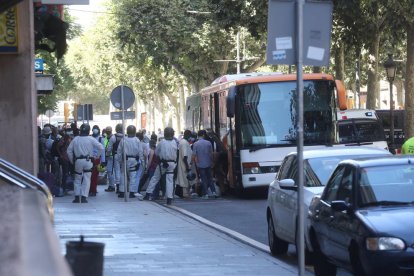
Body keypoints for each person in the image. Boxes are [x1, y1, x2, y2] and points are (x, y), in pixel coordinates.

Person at [67, 123, 104, 203]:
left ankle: (77, 197)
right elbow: (101, 147)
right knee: (87, 179)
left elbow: (69, 151)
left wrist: (71, 160)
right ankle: (84, 197)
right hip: (88, 161)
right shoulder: (91, 139)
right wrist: (97, 156)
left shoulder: (76, 139)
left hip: (78, 161)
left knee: (77, 179)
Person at [143, 127, 178, 205]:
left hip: (163, 163)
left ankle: (148, 194)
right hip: (172, 164)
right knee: (170, 181)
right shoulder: (175, 142)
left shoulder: (162, 142)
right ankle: (169, 199)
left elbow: (156, 153)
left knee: (155, 178)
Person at [116, 125, 145, 198]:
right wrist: (142, 162)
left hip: (125, 160)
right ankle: (132, 192)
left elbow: (119, 151)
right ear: (135, 131)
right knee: (133, 176)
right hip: (134, 160)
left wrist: (119, 161)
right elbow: (140, 152)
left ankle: (122, 192)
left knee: (123, 175)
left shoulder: (123, 140)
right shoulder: (137, 140)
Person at [192, 129, 216, 199]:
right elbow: (211, 154)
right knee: (210, 178)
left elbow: (194, 155)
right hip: (208, 163)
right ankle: (214, 192)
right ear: (203, 135)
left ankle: (205, 194)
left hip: (200, 164)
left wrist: (192, 163)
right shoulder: (208, 143)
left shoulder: (195, 144)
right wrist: (212, 162)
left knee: (203, 179)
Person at [175, 130, 193, 198]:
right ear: (188, 135)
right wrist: (187, 166)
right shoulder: (184, 143)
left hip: (184, 164)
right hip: (185, 165)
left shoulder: (183, 142)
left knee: (184, 179)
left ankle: (184, 193)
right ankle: (185, 193)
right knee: (185, 180)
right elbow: (185, 156)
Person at [89, 125, 105, 196]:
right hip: (90, 158)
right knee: (89, 176)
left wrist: (103, 161)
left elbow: (103, 150)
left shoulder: (101, 139)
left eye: (96, 129)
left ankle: (93, 190)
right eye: (94, 129)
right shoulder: (89, 138)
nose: (95, 130)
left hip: (97, 159)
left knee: (95, 175)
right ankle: (90, 189)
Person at [107, 123, 124, 193]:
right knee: (122, 172)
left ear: (116, 129)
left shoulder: (113, 137)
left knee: (117, 171)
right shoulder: (125, 137)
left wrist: (107, 155)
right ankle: (122, 187)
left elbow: (109, 148)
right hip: (124, 156)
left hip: (116, 155)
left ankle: (118, 186)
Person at [103, 126, 116, 192]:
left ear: (111, 130)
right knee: (109, 172)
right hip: (107, 157)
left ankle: (112, 186)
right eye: (107, 130)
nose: (108, 131)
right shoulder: (105, 138)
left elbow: (109, 148)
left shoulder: (113, 138)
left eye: (109, 130)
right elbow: (104, 146)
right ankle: (111, 185)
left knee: (110, 172)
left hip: (112, 157)